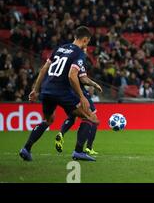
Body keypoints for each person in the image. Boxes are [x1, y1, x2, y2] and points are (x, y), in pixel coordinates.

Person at [19, 26, 99, 162]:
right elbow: (72, 76)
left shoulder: (59, 48)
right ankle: (78, 152)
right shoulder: (79, 53)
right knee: (91, 118)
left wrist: (35, 90)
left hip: (46, 89)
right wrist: (82, 96)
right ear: (85, 40)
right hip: (62, 91)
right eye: (88, 42)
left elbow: (44, 69)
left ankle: (26, 149)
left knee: (48, 120)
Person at [55, 47, 103, 156]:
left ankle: (61, 133)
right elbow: (84, 79)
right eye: (85, 50)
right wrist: (95, 84)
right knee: (93, 118)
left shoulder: (68, 59)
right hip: (79, 91)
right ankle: (88, 148)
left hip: (67, 92)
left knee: (72, 116)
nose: (86, 52)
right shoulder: (79, 60)